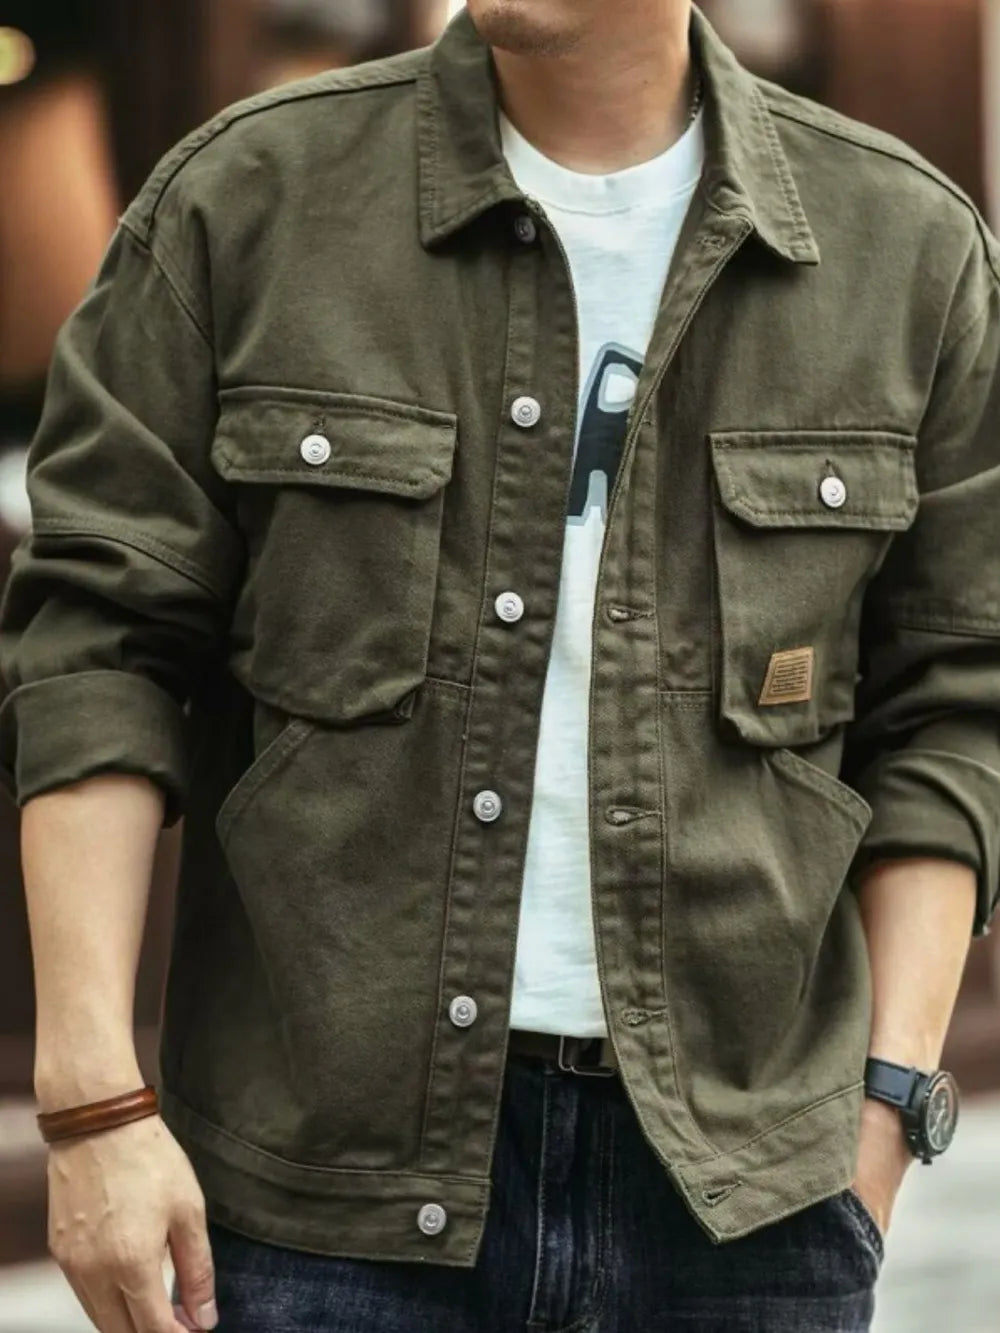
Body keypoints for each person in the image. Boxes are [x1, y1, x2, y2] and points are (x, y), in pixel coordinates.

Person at [2, 1, 998, 1329]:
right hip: (321, 1215)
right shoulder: (244, 203)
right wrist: (91, 1104)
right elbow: (96, 644)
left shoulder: (905, 247)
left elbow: (957, 705)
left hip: (747, 1217)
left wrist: (884, 1113)